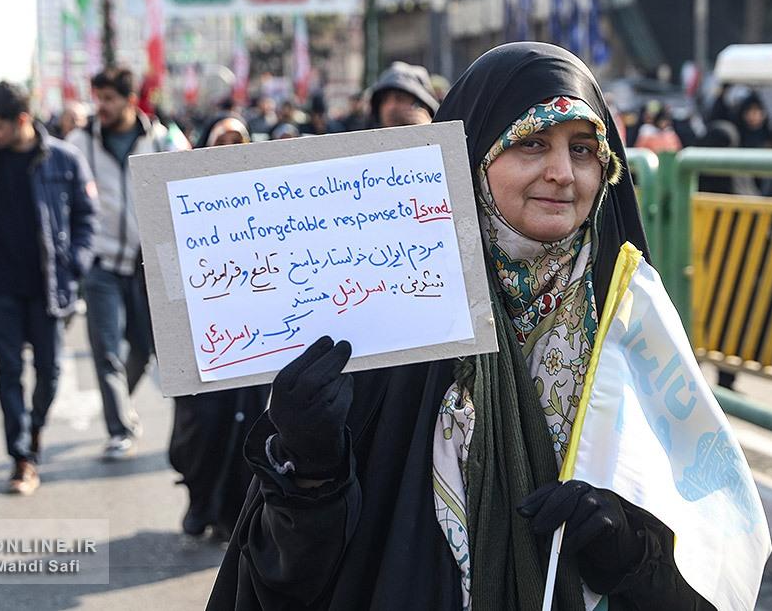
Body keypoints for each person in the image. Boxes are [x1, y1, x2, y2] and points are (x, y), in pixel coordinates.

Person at [208, 43, 712, 610]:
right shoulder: (389, 316)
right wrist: (311, 468)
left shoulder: (629, 326)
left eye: (583, 149)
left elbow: (703, 562)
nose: (562, 173)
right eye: (531, 143)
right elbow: (288, 573)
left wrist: (628, 547)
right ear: (471, 158)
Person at [0, 81, 96, 494]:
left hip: (49, 285)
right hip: (0, 286)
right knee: (9, 371)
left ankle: (34, 429)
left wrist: (76, 263)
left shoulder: (64, 159)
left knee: (50, 372)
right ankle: (21, 457)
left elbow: (87, 217)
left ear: (22, 120)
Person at [169, 113, 269, 542]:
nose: (229, 149)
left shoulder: (264, 197)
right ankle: (199, 500)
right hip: (202, 334)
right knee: (201, 426)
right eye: (221, 141)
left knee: (244, 425)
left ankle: (232, 513)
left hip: (252, 335)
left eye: (237, 141)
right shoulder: (182, 198)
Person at [66, 67, 174, 461]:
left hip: (150, 265)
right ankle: (119, 428)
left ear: (130, 101)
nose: (102, 106)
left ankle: (120, 405)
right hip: (102, 264)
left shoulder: (162, 139)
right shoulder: (79, 142)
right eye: (98, 98)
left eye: (110, 99)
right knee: (106, 349)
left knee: (144, 349)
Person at [369, 61, 440, 128]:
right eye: (384, 100)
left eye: (400, 98)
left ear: (422, 106)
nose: (391, 107)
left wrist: (428, 130)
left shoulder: (442, 134)